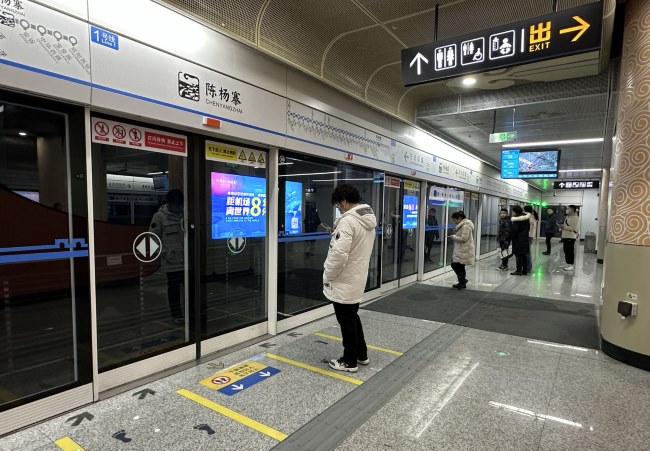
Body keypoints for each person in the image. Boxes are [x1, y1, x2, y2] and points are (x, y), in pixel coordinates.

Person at [324, 184, 377, 373]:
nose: (338, 207)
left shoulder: (348, 221)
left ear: (345, 201)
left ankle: (349, 361)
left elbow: (339, 254)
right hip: (357, 277)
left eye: (338, 204)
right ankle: (362, 355)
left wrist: (328, 275)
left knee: (346, 322)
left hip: (343, 279)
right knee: (352, 317)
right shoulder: (367, 219)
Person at [150, 189, 185, 324]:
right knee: (174, 289)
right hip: (171, 262)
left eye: (180, 205)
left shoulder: (185, 215)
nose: (178, 208)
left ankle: (190, 312)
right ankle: (176, 315)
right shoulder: (159, 217)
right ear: (169, 203)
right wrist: (164, 254)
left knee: (190, 288)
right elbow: (153, 239)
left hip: (187, 260)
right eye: (176, 205)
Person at [447, 211, 475, 289]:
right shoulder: (463, 225)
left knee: (456, 265)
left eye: (454, 220)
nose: (454, 222)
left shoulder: (465, 226)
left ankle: (462, 281)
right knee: (459, 266)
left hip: (464, 250)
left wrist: (454, 237)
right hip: (461, 249)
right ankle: (462, 282)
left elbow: (464, 238)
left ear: (459, 218)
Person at [511, 205, 538, 273]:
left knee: (522, 254)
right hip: (527, 236)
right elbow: (528, 228)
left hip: (523, 237)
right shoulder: (529, 216)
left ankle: (525, 269)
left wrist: (512, 235)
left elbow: (516, 229)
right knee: (525, 254)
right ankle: (525, 269)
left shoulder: (524, 218)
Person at [509, 205, 530, 276]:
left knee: (518, 255)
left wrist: (510, 236)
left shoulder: (516, 218)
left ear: (514, 211)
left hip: (518, 240)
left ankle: (518, 270)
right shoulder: (526, 217)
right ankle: (524, 270)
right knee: (524, 255)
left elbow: (515, 230)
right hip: (525, 238)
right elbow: (528, 228)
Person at [558, 205, 580, 271]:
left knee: (570, 251)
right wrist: (562, 226)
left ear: (573, 210)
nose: (567, 210)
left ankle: (571, 265)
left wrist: (563, 227)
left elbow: (573, 228)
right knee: (566, 250)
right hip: (566, 236)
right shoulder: (568, 217)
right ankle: (567, 263)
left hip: (571, 237)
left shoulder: (575, 218)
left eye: (569, 208)